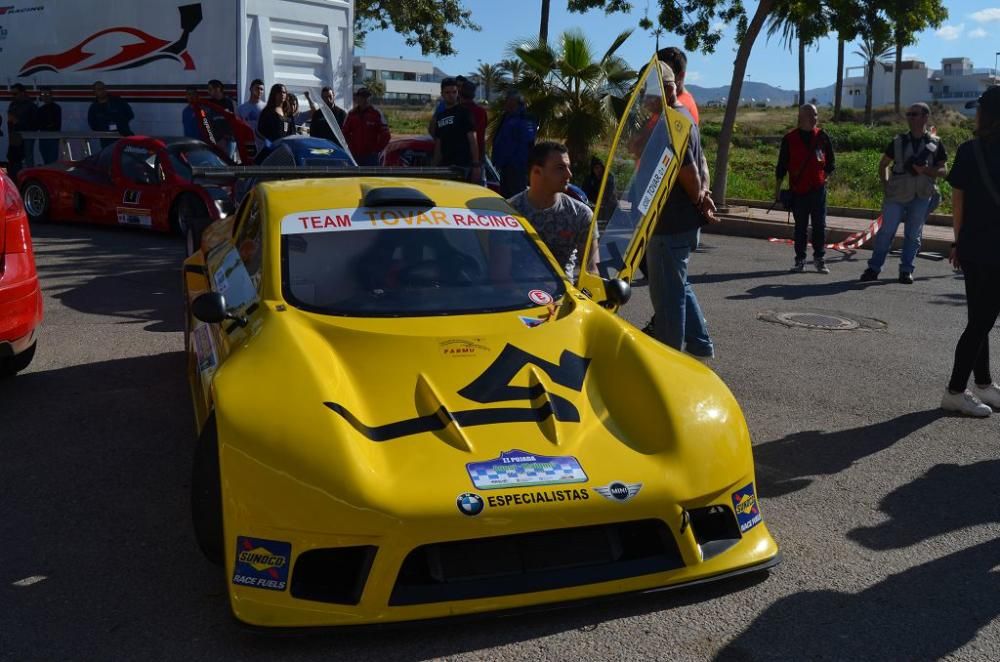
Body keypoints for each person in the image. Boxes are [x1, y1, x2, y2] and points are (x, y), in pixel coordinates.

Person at [645, 62, 719, 359]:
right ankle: (700, 345)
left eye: (648, 95)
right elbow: (701, 164)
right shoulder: (684, 115)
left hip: (670, 223)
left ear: (664, 90)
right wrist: (702, 196)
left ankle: (669, 358)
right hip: (684, 220)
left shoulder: (670, 122)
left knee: (668, 296)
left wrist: (699, 195)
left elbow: (688, 172)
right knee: (680, 284)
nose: (645, 102)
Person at [940, 86, 1000, 417]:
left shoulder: (968, 150)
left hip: (973, 245)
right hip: (994, 250)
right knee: (980, 321)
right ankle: (954, 390)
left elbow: (958, 201)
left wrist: (957, 241)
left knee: (980, 318)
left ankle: (984, 384)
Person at [860, 102, 947, 284]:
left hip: (922, 195)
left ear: (925, 117)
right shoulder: (898, 141)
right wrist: (886, 185)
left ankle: (906, 270)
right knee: (886, 233)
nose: (910, 117)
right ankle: (874, 268)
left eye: (914, 114)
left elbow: (943, 171)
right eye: (908, 114)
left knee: (913, 235)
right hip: (896, 195)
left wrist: (926, 170)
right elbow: (883, 164)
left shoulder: (935, 143)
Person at [506, 141, 599, 280]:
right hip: (519, 296)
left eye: (568, 167)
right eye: (560, 168)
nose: (569, 174)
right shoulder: (508, 213)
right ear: (537, 171)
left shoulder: (581, 214)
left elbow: (592, 271)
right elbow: (500, 274)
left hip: (564, 298)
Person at [774, 103, 835, 273]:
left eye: (816, 114)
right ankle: (800, 260)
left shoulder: (822, 137)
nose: (815, 118)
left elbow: (831, 163)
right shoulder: (789, 139)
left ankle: (819, 259)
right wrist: (777, 190)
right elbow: (781, 167)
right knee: (800, 227)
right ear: (802, 117)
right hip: (798, 191)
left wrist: (824, 179)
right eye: (812, 114)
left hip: (818, 190)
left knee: (819, 226)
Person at [432, 78, 480, 183]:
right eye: (447, 92)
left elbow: (473, 140)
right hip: (445, 168)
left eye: (454, 92)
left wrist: (476, 165)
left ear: (457, 93)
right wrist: (433, 167)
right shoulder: (440, 116)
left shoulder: (465, 113)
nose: (451, 95)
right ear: (442, 94)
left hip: (462, 167)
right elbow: (439, 145)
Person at [492, 89, 537, 198]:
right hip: (505, 166)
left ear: (514, 102)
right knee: (505, 197)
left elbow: (527, 140)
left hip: (517, 166)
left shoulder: (525, 118)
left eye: (507, 100)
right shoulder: (507, 117)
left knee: (516, 197)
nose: (505, 103)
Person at [342, 87, 390, 166]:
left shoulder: (376, 114)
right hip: (355, 155)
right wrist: (350, 147)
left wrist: (377, 149)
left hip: (371, 157)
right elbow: (344, 133)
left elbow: (386, 134)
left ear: (369, 98)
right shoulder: (351, 114)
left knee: (371, 177)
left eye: (366, 97)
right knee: (354, 177)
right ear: (357, 98)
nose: (364, 99)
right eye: (361, 97)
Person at [657, 46, 699, 125]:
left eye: (666, 73)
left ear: (680, 76)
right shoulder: (669, 102)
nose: (658, 78)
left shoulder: (678, 108)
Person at [6, 84, 36, 177]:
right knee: (14, 158)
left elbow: (35, 123)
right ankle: (16, 178)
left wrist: (17, 122)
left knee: (28, 157)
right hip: (15, 135)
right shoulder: (13, 104)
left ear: (22, 93)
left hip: (27, 135)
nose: (13, 96)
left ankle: (30, 178)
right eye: (12, 94)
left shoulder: (30, 105)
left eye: (15, 94)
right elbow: (10, 120)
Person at [256, 83, 295, 150]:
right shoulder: (267, 112)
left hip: (286, 149)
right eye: (279, 92)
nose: (282, 94)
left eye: (284, 92)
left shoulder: (288, 113)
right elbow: (260, 131)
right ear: (274, 94)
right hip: (272, 149)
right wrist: (269, 143)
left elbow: (292, 132)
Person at [459, 80, 487, 174]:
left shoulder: (456, 112)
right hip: (478, 157)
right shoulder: (481, 112)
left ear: (460, 93)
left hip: (460, 158)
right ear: (474, 94)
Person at [35, 87, 62, 164]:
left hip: (53, 137)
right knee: (46, 159)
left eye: (47, 94)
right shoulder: (40, 109)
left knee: (52, 160)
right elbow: (37, 124)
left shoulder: (56, 108)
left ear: (51, 95)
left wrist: (46, 126)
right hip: (43, 137)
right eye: (43, 94)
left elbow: (56, 124)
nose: (45, 96)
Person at [237, 79, 267, 149]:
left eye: (261, 89)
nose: (259, 91)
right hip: (247, 143)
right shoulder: (241, 108)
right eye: (257, 88)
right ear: (250, 89)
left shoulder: (266, 108)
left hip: (262, 143)